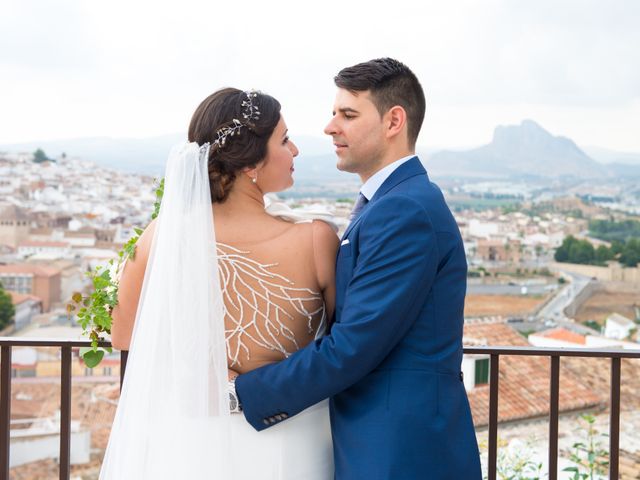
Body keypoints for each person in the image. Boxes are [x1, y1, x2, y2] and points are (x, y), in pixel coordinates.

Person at [234, 58, 483, 479]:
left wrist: (241, 392)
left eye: (348, 115)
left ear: (393, 122)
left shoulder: (404, 209)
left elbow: (354, 346)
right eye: (334, 114)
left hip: (401, 449)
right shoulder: (391, 202)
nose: (331, 127)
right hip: (378, 439)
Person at [100, 88, 339, 479]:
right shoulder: (314, 239)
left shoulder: (162, 237)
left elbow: (123, 335)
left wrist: (208, 366)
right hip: (291, 440)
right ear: (250, 164)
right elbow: (345, 345)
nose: (294, 150)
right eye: (284, 139)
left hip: (191, 445)